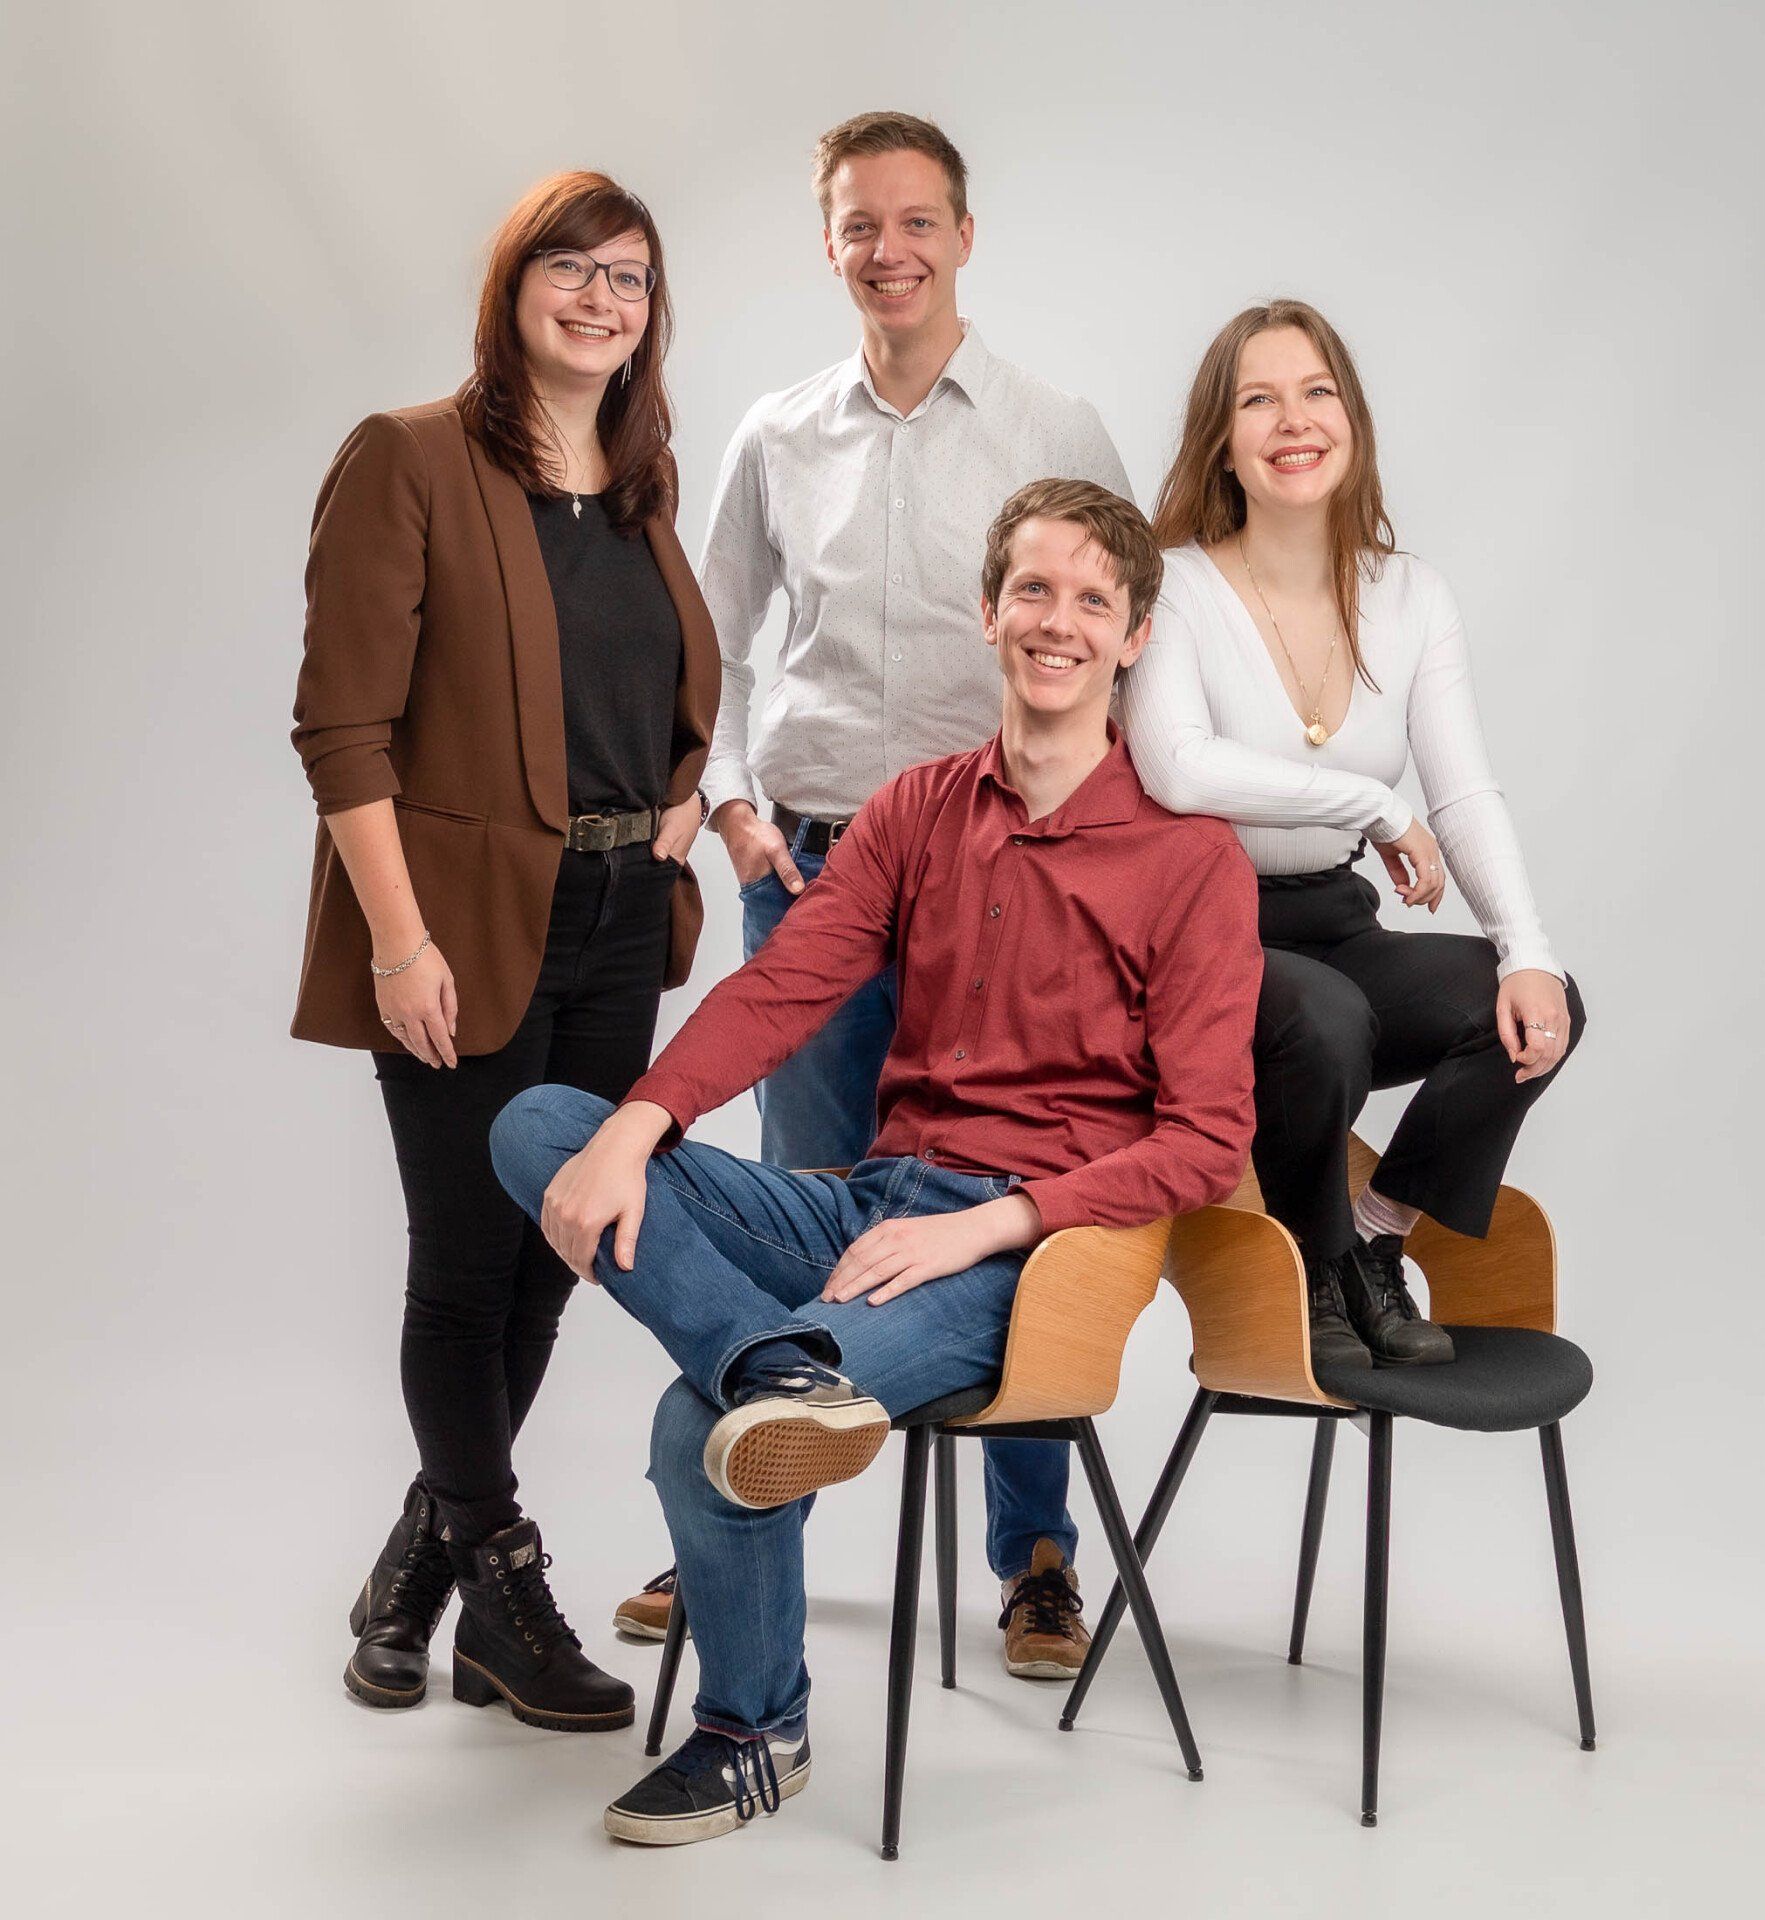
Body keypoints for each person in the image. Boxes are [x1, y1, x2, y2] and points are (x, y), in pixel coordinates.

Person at [490, 480, 1261, 1845]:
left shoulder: (1191, 858)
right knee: (544, 1125)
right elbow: (786, 991)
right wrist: (640, 1122)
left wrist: (992, 1227)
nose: (1058, 623)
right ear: (986, 612)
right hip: (865, 1204)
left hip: (1026, 1258)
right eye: (1033, 590)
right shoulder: (918, 810)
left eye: (1093, 600)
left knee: (699, 1430)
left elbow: (1208, 1142)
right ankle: (769, 1365)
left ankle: (753, 1730)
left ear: (1136, 636)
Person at [613, 110, 1132, 1680]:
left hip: (1010, 880)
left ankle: (1033, 1553)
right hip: (827, 867)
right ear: (828, 244)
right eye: (858, 225)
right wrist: (724, 806)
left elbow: (1124, 640)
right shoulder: (780, 436)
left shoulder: (1055, 425)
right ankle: (736, 1525)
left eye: (916, 221)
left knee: (995, 1204)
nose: (888, 249)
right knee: (810, 1195)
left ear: (965, 236)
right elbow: (705, 641)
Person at [290, 170, 719, 1727]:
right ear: (512, 284)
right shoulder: (406, 458)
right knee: (465, 1274)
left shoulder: (643, 483)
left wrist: (680, 803)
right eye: (573, 268)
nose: (603, 299)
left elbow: (654, 702)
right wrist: (397, 946)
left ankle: (422, 1569)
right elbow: (340, 725)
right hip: (460, 931)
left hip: (615, 926)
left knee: (557, 1257)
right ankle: (507, 1583)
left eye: (632, 278)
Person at [1120, 299, 1585, 1377]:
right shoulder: (1176, 582)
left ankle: (1374, 1241)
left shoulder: (1413, 595)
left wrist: (1525, 948)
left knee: (1530, 1002)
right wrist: (1371, 806)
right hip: (1202, 936)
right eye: (1260, 399)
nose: (1296, 420)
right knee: (1324, 1022)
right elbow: (1179, 768)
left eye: (1318, 391)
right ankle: (1313, 1269)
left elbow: (1464, 792)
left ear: (1354, 420)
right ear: (1222, 441)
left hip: (1335, 920)